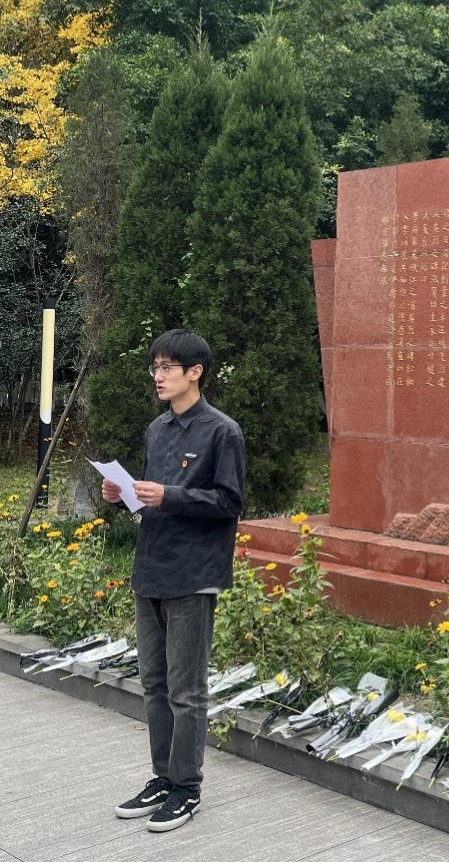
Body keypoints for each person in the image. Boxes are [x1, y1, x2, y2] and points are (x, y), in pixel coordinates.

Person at [102, 329, 245, 832]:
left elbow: (229, 502)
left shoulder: (222, 432)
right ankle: (163, 778)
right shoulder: (156, 430)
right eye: (155, 368)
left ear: (195, 372)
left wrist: (170, 495)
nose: (158, 377)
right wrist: (124, 495)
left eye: (167, 367)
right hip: (151, 570)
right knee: (154, 684)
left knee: (187, 690)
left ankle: (187, 788)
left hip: (193, 574)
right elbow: (150, 499)